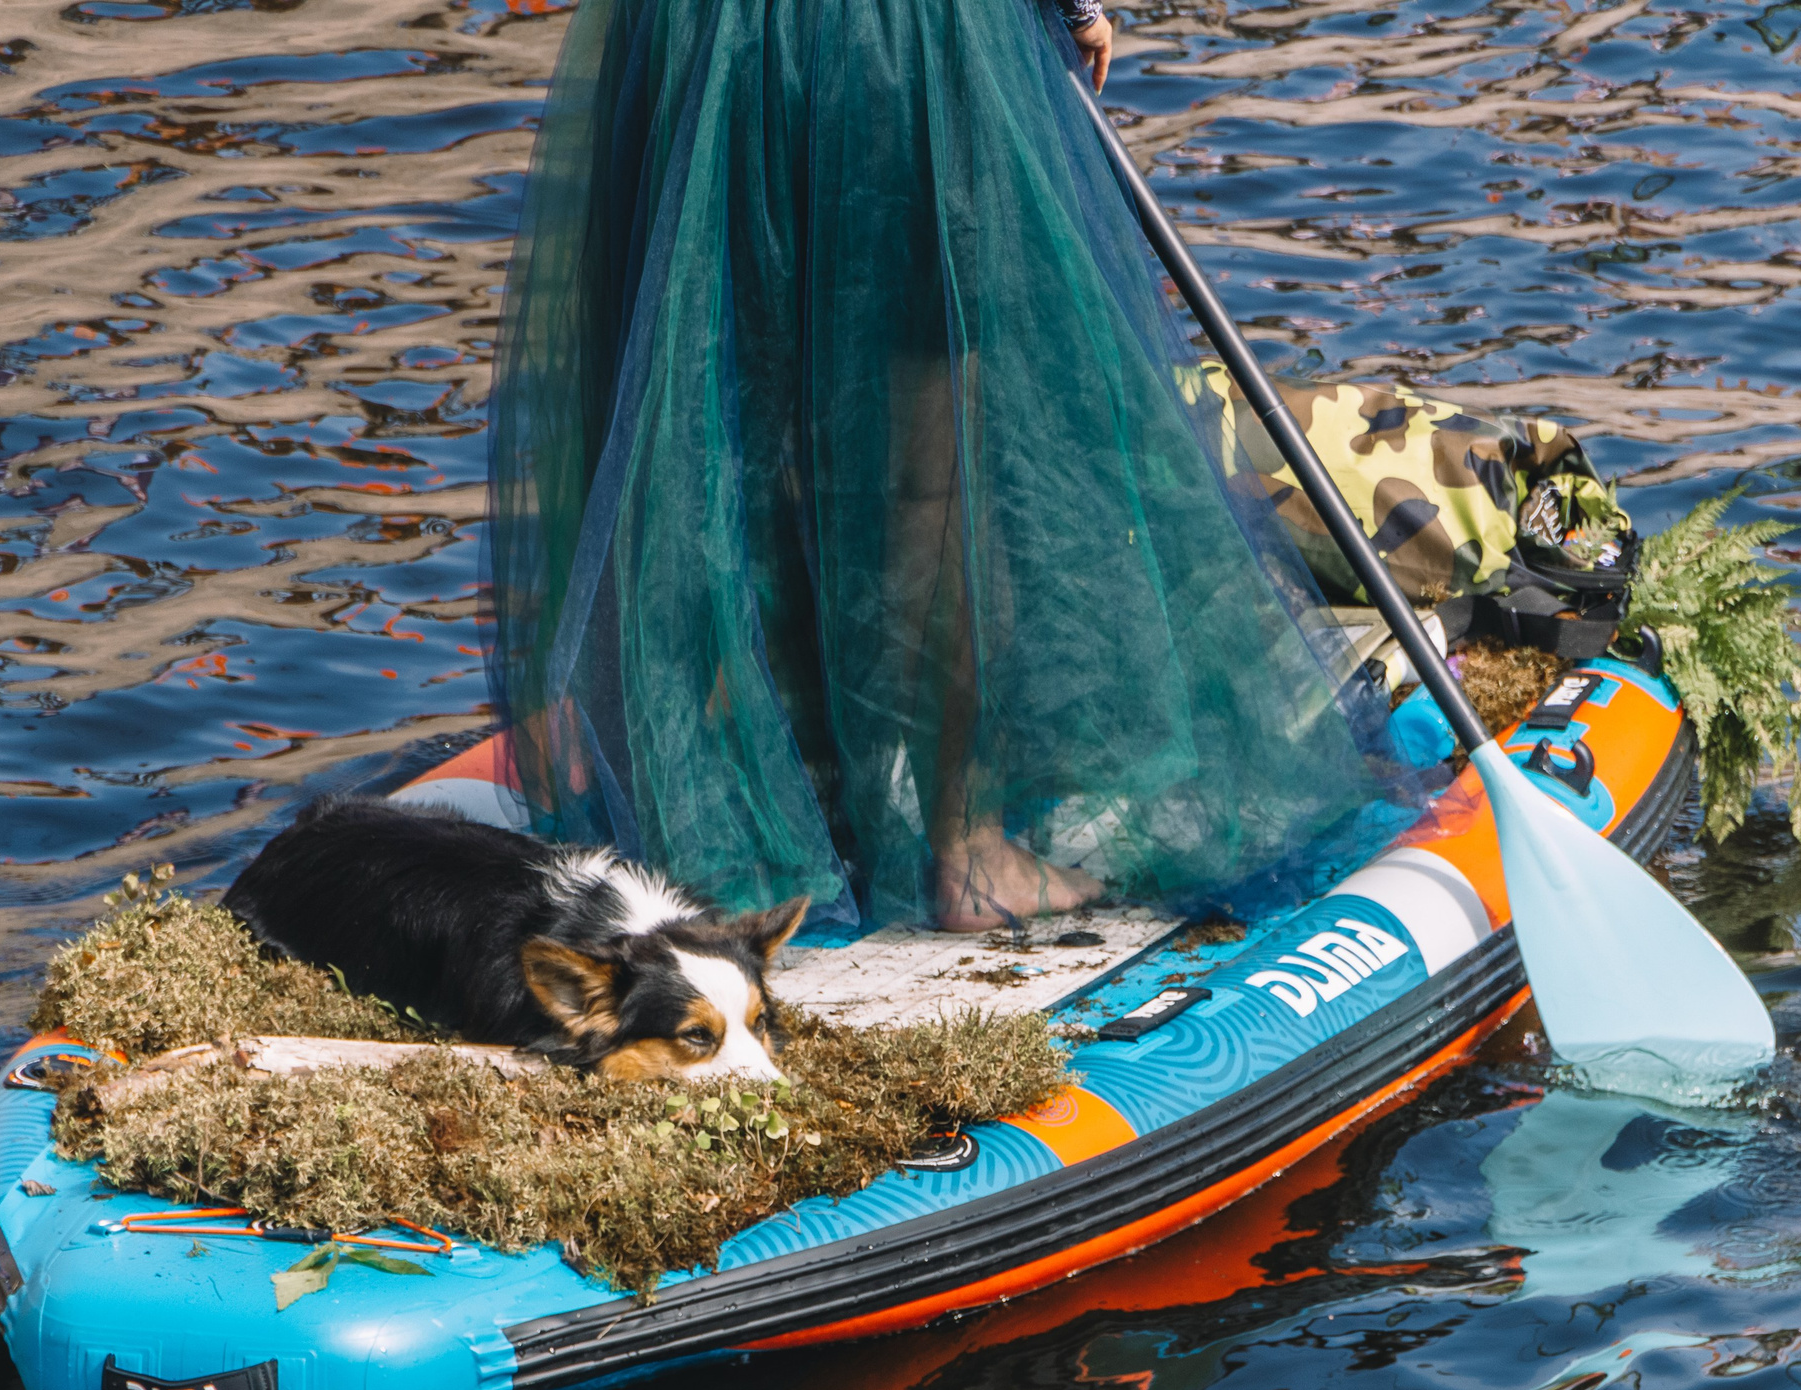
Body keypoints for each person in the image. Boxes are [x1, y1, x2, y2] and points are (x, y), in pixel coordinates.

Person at [488, 0, 1381, 933]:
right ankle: (968, 848)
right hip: (897, 34)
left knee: (699, 424)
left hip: (695, 32)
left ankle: (683, 828)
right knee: (938, 452)